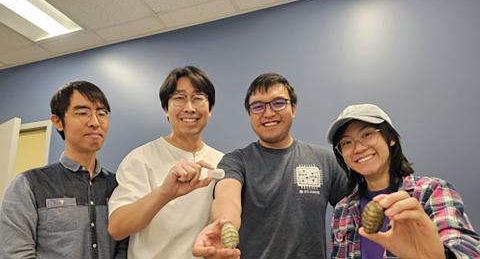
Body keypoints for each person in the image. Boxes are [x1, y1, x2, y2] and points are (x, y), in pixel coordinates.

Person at [193, 73, 348, 259]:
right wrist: (223, 225)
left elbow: (355, 207)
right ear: (250, 114)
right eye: (258, 106)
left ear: (293, 108)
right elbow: (227, 199)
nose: (268, 113)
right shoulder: (236, 160)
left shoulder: (325, 160)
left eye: (278, 103)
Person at [108, 66, 235, 259]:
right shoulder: (140, 158)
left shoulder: (223, 162)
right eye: (179, 98)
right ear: (166, 109)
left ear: (210, 109)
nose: (189, 108)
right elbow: (117, 228)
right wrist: (164, 193)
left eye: (198, 98)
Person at [326, 103, 480, 258]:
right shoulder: (343, 209)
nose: (358, 148)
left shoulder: (432, 192)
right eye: (346, 142)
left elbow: (465, 247)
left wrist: (441, 256)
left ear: (391, 138)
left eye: (367, 134)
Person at [0, 81, 128, 258]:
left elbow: (125, 249)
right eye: (83, 113)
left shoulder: (119, 186)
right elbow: (15, 253)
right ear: (58, 122)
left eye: (102, 113)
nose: (95, 122)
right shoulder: (28, 185)